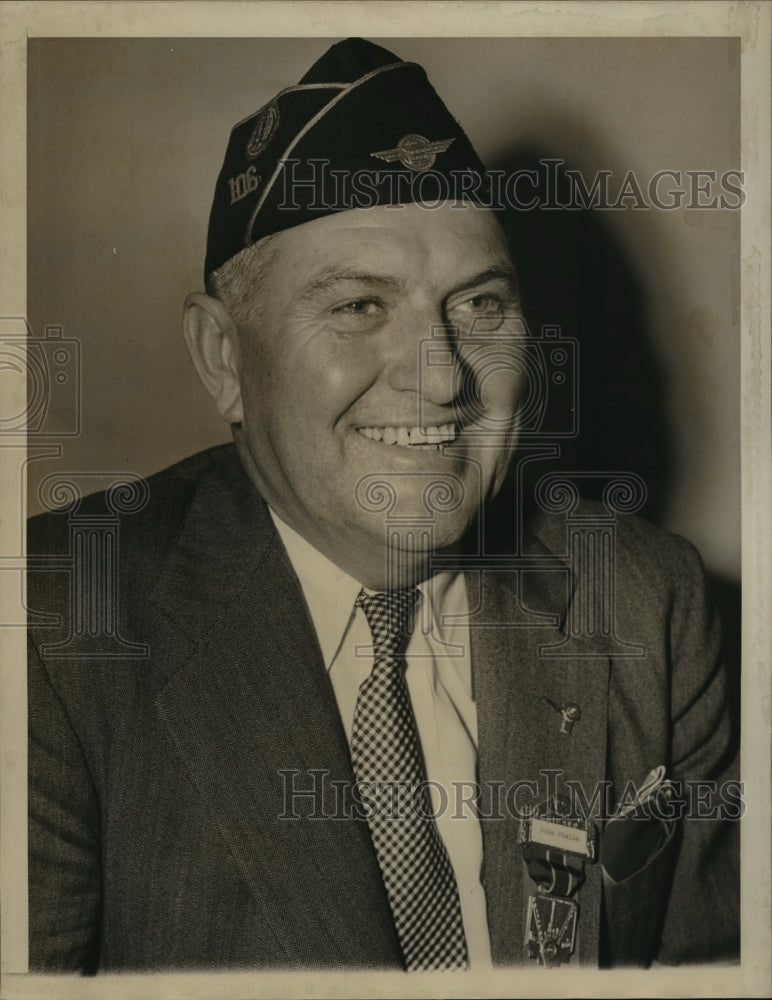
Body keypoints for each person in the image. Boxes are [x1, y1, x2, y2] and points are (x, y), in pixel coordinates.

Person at [27, 38, 739, 973]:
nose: (443, 376)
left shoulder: (652, 601)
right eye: (360, 306)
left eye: (480, 305)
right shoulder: (52, 636)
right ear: (223, 357)